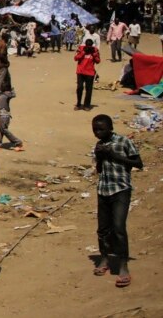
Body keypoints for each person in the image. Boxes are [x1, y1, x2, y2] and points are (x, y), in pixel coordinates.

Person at [91, 114, 143, 288]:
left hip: (121, 189)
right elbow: (99, 169)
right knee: (103, 229)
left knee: (119, 228)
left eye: (101, 129)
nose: (98, 133)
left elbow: (138, 163)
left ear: (110, 128)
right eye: (95, 130)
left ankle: (123, 266)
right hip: (103, 190)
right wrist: (100, 156)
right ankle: (104, 259)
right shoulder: (98, 145)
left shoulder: (123, 142)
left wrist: (113, 155)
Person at [75, 39, 100, 111]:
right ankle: (78, 103)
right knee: (79, 87)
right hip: (80, 71)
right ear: (85, 45)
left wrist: (94, 55)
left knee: (88, 89)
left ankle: (87, 105)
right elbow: (76, 58)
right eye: (87, 46)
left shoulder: (95, 50)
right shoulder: (81, 49)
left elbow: (98, 61)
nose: (89, 47)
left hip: (90, 72)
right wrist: (83, 53)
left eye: (90, 46)